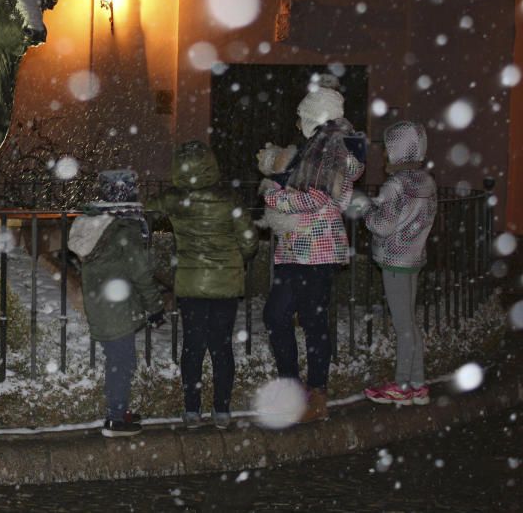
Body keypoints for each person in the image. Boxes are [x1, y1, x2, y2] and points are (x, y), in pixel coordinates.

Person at [261, 74, 365, 423]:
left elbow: (318, 195)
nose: (297, 124)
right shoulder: (317, 146)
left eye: (303, 117)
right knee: (277, 315)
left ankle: (316, 393)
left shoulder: (333, 146)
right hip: (296, 247)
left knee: (313, 320)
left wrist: (276, 198)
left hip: (316, 249)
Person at [148, 141, 258, 429]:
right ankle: (221, 410)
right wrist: (234, 258)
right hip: (225, 284)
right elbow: (249, 241)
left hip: (191, 283)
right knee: (221, 346)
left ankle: (192, 410)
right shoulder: (229, 199)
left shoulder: (174, 199)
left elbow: (144, 210)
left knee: (193, 346)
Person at [68, 169, 165, 438]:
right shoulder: (124, 229)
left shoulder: (95, 224)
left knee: (118, 359)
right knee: (122, 363)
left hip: (100, 302)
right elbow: (141, 272)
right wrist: (155, 307)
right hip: (118, 304)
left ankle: (119, 411)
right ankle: (115, 418)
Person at [362, 121, 436, 406]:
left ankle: (403, 385)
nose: (383, 155)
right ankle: (417, 383)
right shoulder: (425, 181)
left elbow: (382, 225)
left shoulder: (396, 184)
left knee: (403, 323)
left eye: (387, 148)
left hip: (394, 259)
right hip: (414, 256)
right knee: (410, 321)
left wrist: (368, 211)